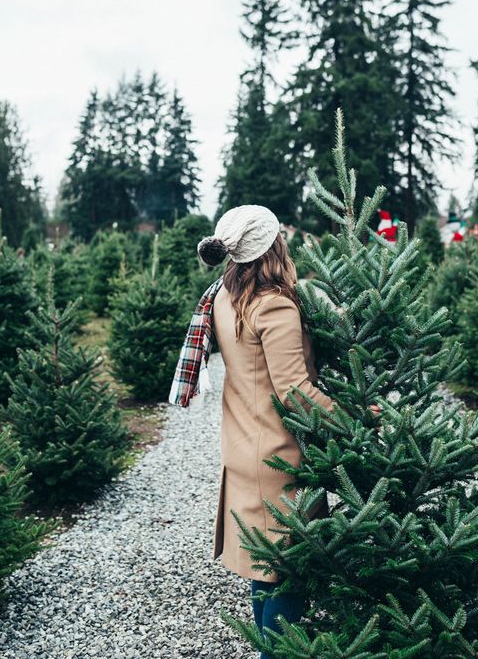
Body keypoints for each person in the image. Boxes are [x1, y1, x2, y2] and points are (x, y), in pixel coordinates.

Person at [196, 204, 336, 659]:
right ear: (274, 245)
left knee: (265, 566)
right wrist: (357, 421)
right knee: (287, 574)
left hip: (243, 450)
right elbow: (295, 393)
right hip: (278, 459)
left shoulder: (222, 295)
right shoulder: (272, 304)